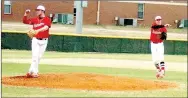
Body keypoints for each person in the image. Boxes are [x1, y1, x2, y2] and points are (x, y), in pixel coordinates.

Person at [23, 5, 52, 78]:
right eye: (36, 10)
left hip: (44, 41)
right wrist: (26, 14)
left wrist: (37, 30)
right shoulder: (34, 19)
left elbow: (46, 27)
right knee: (35, 56)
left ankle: (31, 71)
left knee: (39, 57)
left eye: (38, 10)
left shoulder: (47, 19)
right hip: (35, 40)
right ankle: (34, 72)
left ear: (42, 11)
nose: (37, 11)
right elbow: (25, 21)